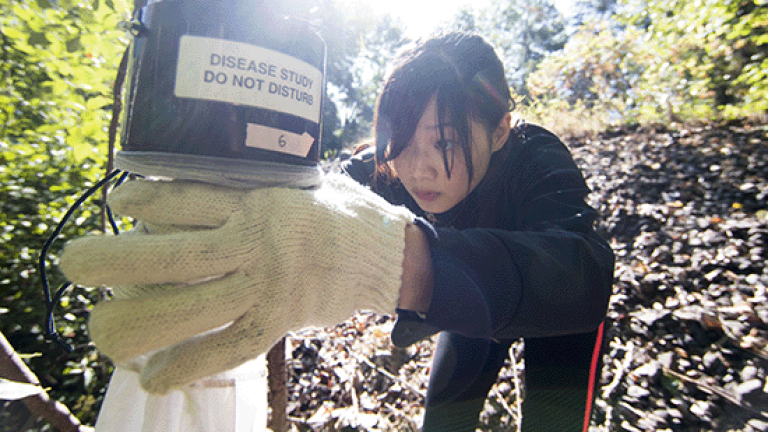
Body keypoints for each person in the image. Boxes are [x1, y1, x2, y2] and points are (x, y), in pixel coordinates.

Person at [60, 31, 614, 431]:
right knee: (445, 416)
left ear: (500, 131)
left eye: (445, 143)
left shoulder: (537, 157)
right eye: (403, 141)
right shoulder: (386, 167)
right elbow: (313, 198)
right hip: (468, 302)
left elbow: (582, 275)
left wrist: (403, 263)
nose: (419, 169)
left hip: (557, 318)